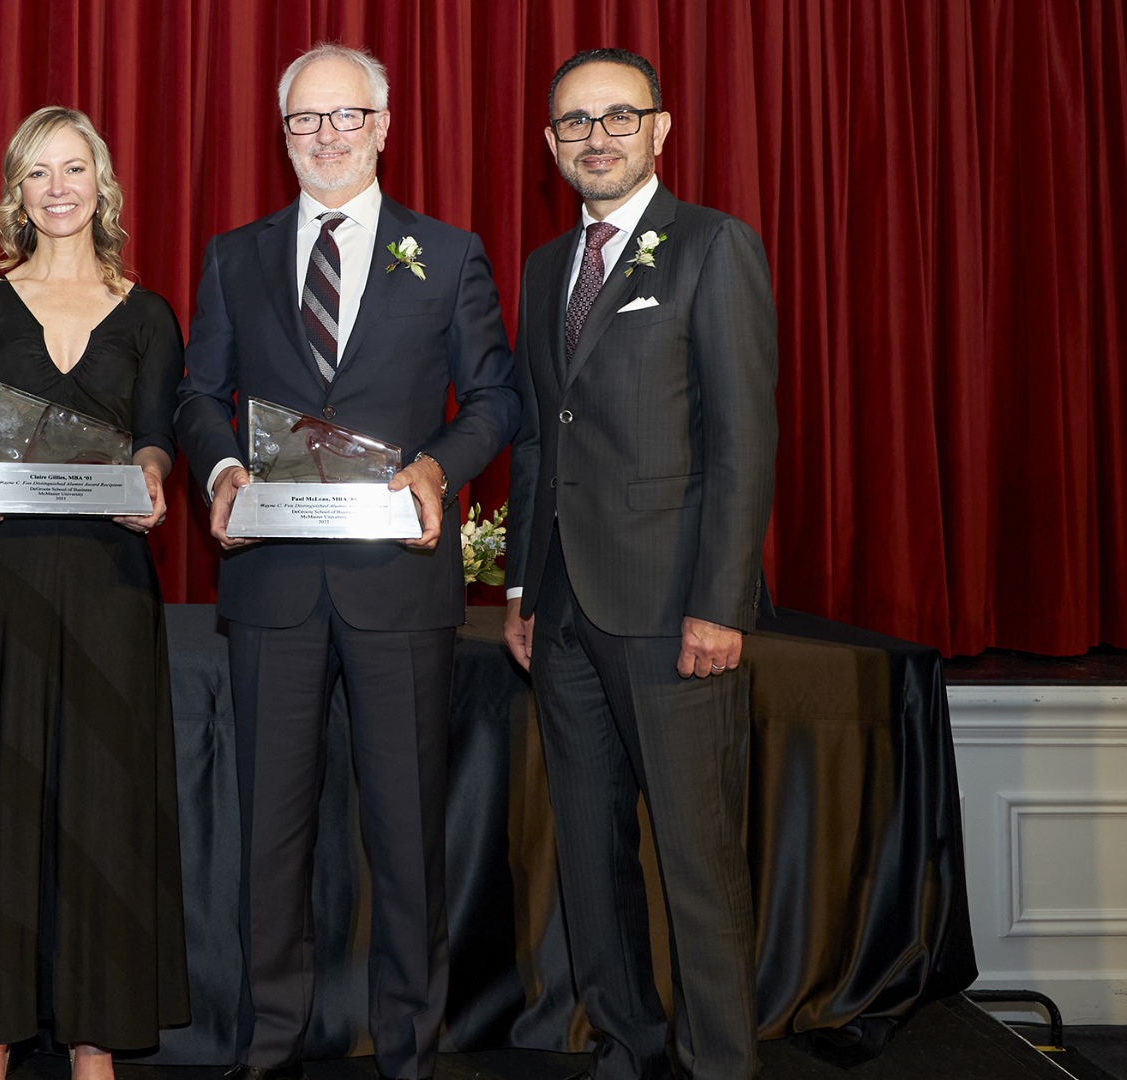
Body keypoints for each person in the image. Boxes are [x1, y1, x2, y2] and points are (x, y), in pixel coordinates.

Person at [175, 43, 518, 1080]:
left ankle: (410, 1048)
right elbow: (199, 395)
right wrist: (223, 469)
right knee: (269, 835)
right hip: (273, 585)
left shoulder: (448, 253)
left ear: (381, 125)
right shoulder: (235, 254)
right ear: (282, 135)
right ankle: (268, 1043)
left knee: (407, 837)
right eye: (304, 121)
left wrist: (435, 469)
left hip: (396, 587)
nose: (326, 137)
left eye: (345, 117)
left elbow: (495, 395)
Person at [501, 47, 779, 1080]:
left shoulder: (713, 247)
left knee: (698, 864)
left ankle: (719, 1066)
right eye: (575, 123)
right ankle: (628, 1048)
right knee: (589, 850)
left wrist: (721, 606)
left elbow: (743, 443)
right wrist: (524, 589)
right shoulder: (542, 268)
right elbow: (538, 440)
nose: (596, 137)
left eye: (619, 117)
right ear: (551, 144)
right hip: (565, 612)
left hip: (674, 613)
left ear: (660, 129)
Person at [0, 106, 190, 1080]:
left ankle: (92, 1038)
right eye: (37, 173)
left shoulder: (148, 313)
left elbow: (156, 436)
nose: (57, 188)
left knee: (101, 805)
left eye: (74, 170)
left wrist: (150, 478)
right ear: (16, 194)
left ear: (101, 186)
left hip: (108, 584)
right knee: (0, 797)